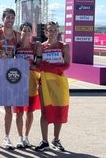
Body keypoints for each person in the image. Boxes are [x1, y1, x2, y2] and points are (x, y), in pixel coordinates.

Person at [0, 8, 20, 150]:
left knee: (8, 108)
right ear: (3, 19)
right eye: (7, 17)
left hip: (10, 74)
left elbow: (20, 52)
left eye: (12, 17)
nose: (10, 20)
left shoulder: (17, 36)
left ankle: (7, 137)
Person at [35, 21, 70, 152]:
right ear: (46, 32)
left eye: (55, 30)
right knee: (45, 112)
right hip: (44, 83)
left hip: (59, 83)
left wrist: (50, 67)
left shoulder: (64, 46)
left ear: (58, 32)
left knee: (59, 111)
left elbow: (67, 65)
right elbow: (38, 64)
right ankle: (44, 141)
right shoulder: (41, 47)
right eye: (50, 30)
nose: (53, 32)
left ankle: (56, 139)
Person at [12, 22, 41, 148]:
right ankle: (19, 137)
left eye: (29, 30)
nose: (26, 32)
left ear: (32, 33)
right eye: (24, 30)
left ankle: (26, 137)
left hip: (31, 82)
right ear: (21, 32)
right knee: (19, 112)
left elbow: (39, 65)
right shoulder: (15, 46)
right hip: (18, 82)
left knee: (29, 112)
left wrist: (30, 64)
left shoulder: (35, 47)